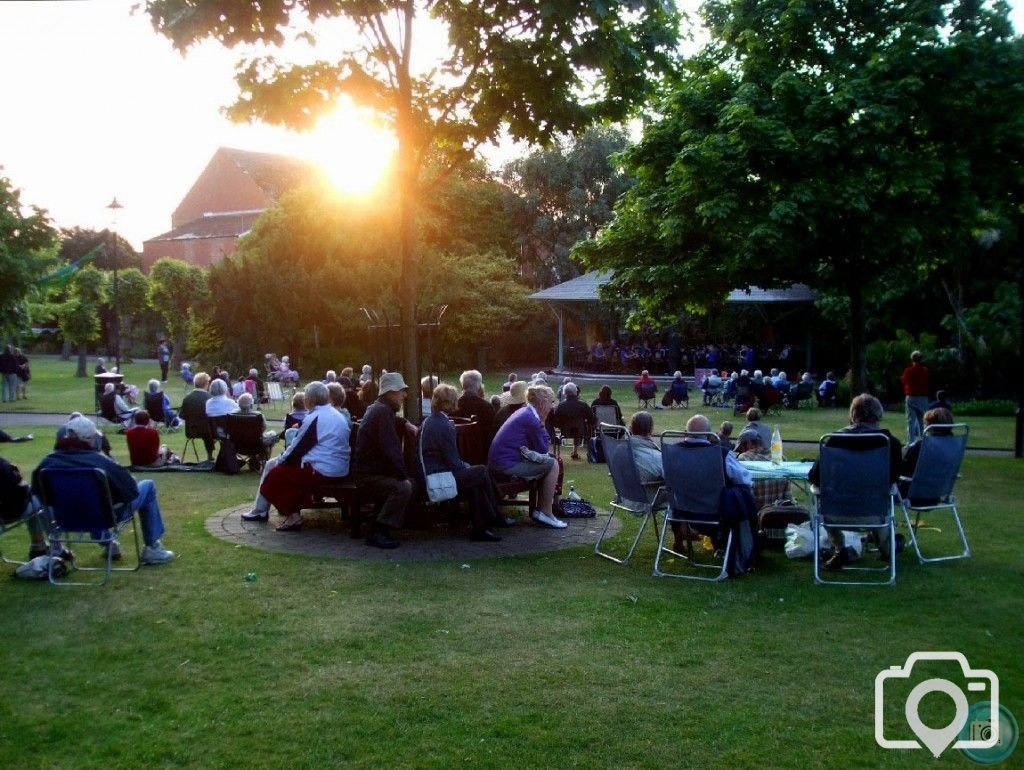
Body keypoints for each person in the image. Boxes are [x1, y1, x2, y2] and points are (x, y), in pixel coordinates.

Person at [32, 416, 175, 565]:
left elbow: (38, 494)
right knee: (147, 486)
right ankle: (152, 547)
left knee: (90, 500)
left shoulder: (47, 463)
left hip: (64, 517)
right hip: (103, 518)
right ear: (90, 438)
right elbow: (130, 490)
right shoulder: (100, 463)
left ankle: (106, 545)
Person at [808, 393, 902, 570]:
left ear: (853, 415)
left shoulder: (833, 441)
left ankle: (839, 549)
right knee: (884, 493)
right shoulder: (890, 444)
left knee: (821, 495)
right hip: (874, 513)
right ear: (878, 415)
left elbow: (815, 477)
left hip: (836, 513)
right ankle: (887, 548)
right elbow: (893, 477)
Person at [256, 382, 351, 532]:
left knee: (273, 477)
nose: (304, 399)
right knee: (286, 472)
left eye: (306, 396)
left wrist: (281, 462)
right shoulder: (334, 414)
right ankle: (294, 510)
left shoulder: (315, 417)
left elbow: (297, 449)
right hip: (340, 467)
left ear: (311, 399)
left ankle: (293, 516)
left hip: (324, 470)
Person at [419, 383, 505, 542]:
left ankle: (483, 526)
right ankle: (494, 516)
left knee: (477, 481)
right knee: (481, 471)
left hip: (432, 472)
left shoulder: (430, 421)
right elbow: (453, 462)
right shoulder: (443, 425)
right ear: (449, 403)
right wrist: (467, 467)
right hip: (438, 477)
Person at [351, 372, 416, 549]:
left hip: (368, 472)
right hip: (368, 476)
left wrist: (403, 423)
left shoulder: (379, 409)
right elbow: (391, 450)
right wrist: (403, 476)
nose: (405, 395)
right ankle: (378, 531)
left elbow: (390, 425)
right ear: (391, 392)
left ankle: (388, 525)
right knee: (404, 487)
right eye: (401, 390)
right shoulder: (382, 412)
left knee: (409, 484)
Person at [488, 383, 565, 529]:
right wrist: (543, 422)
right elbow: (542, 448)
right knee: (552, 464)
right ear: (542, 403)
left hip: (500, 462)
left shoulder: (525, 412)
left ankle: (543, 510)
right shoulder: (531, 419)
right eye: (551, 402)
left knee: (550, 461)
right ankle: (545, 512)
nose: (552, 407)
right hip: (505, 466)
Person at [0, 455, 52, 561]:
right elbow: (19, 491)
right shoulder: (2, 465)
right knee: (36, 499)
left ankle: (39, 546)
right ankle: (39, 546)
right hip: (7, 513)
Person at [899, 407, 955, 505]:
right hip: (936, 494)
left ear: (929, 426)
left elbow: (902, 466)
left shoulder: (922, 447)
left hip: (912, 495)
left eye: (925, 424)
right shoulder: (952, 447)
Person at [454, 369, 497, 450]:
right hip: (480, 451)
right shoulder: (486, 407)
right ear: (479, 386)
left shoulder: (455, 405)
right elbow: (491, 434)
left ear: (462, 385)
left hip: (458, 449)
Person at [552, 382, 595, 460]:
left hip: (565, 431)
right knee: (578, 428)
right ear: (576, 392)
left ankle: (563, 454)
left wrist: (561, 425)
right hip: (581, 431)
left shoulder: (561, 406)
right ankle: (576, 452)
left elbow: (555, 421)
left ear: (565, 393)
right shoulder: (583, 405)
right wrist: (585, 423)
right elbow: (592, 419)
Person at [180, 372, 215, 461]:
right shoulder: (210, 398)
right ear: (206, 384)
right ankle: (211, 454)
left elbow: (182, 416)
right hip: (208, 432)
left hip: (190, 430)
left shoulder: (187, 398)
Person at [900, 350, 930, 443]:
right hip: (923, 397)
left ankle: (911, 442)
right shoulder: (925, 370)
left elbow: (903, 380)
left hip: (912, 397)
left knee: (910, 421)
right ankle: (923, 440)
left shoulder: (909, 370)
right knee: (922, 420)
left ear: (912, 359)